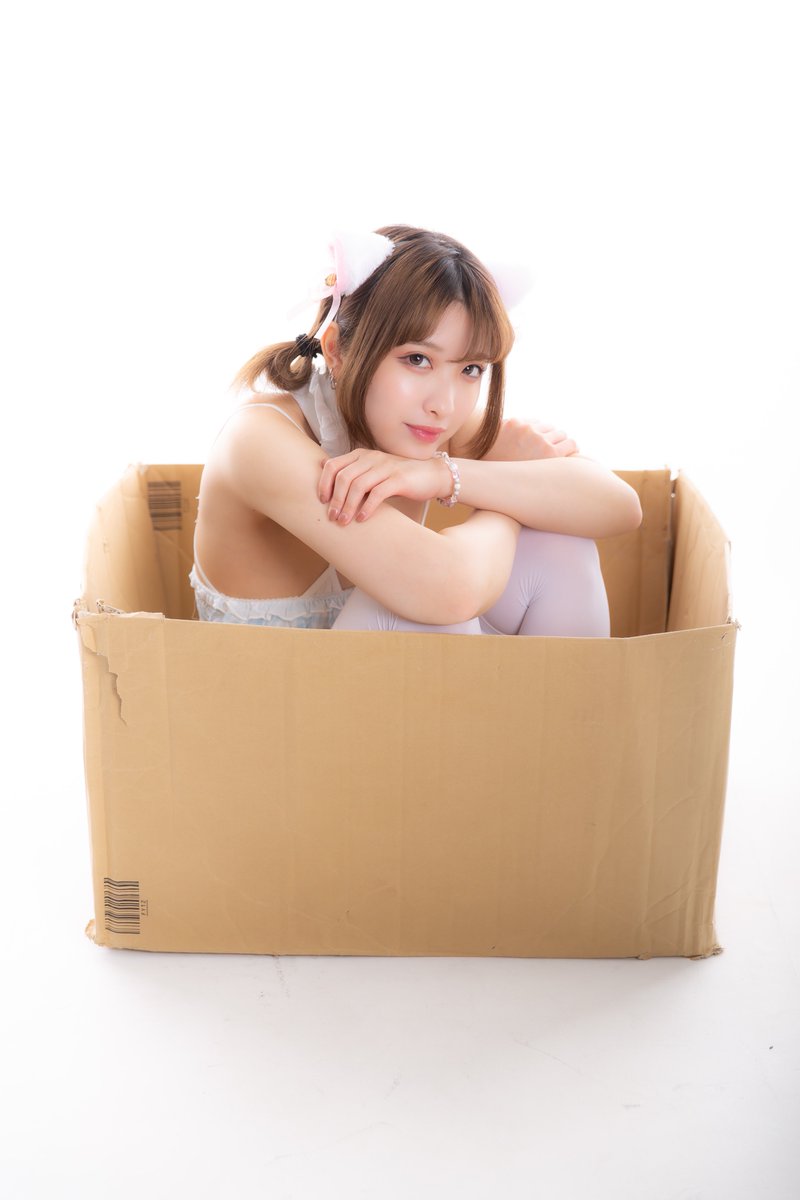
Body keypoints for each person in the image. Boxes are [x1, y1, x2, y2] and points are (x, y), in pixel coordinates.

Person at [190, 225, 642, 636]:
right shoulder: (257, 439)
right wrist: (508, 502)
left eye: (470, 368)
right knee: (416, 606)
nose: (443, 404)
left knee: (559, 546)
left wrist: (440, 475)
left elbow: (618, 505)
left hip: (401, 689)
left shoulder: (428, 424)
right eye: (417, 360)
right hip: (281, 699)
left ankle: (569, 707)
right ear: (338, 350)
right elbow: (451, 590)